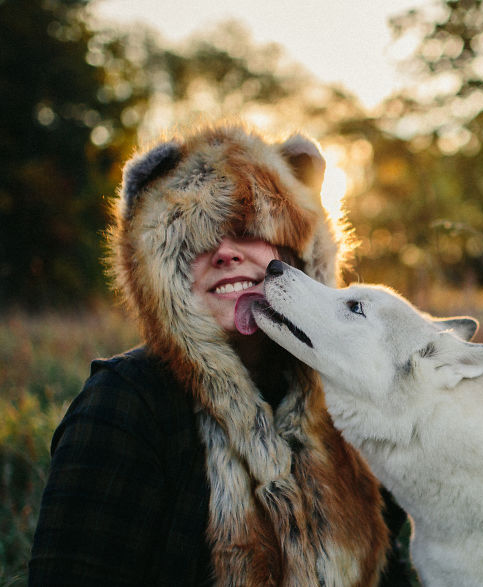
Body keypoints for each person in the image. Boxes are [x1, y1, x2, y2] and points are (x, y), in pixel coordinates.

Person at [29, 124, 413, 586]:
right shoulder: (124, 403)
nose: (226, 253)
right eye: (196, 240)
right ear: (161, 274)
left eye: (248, 230)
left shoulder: (352, 399)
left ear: (295, 255)